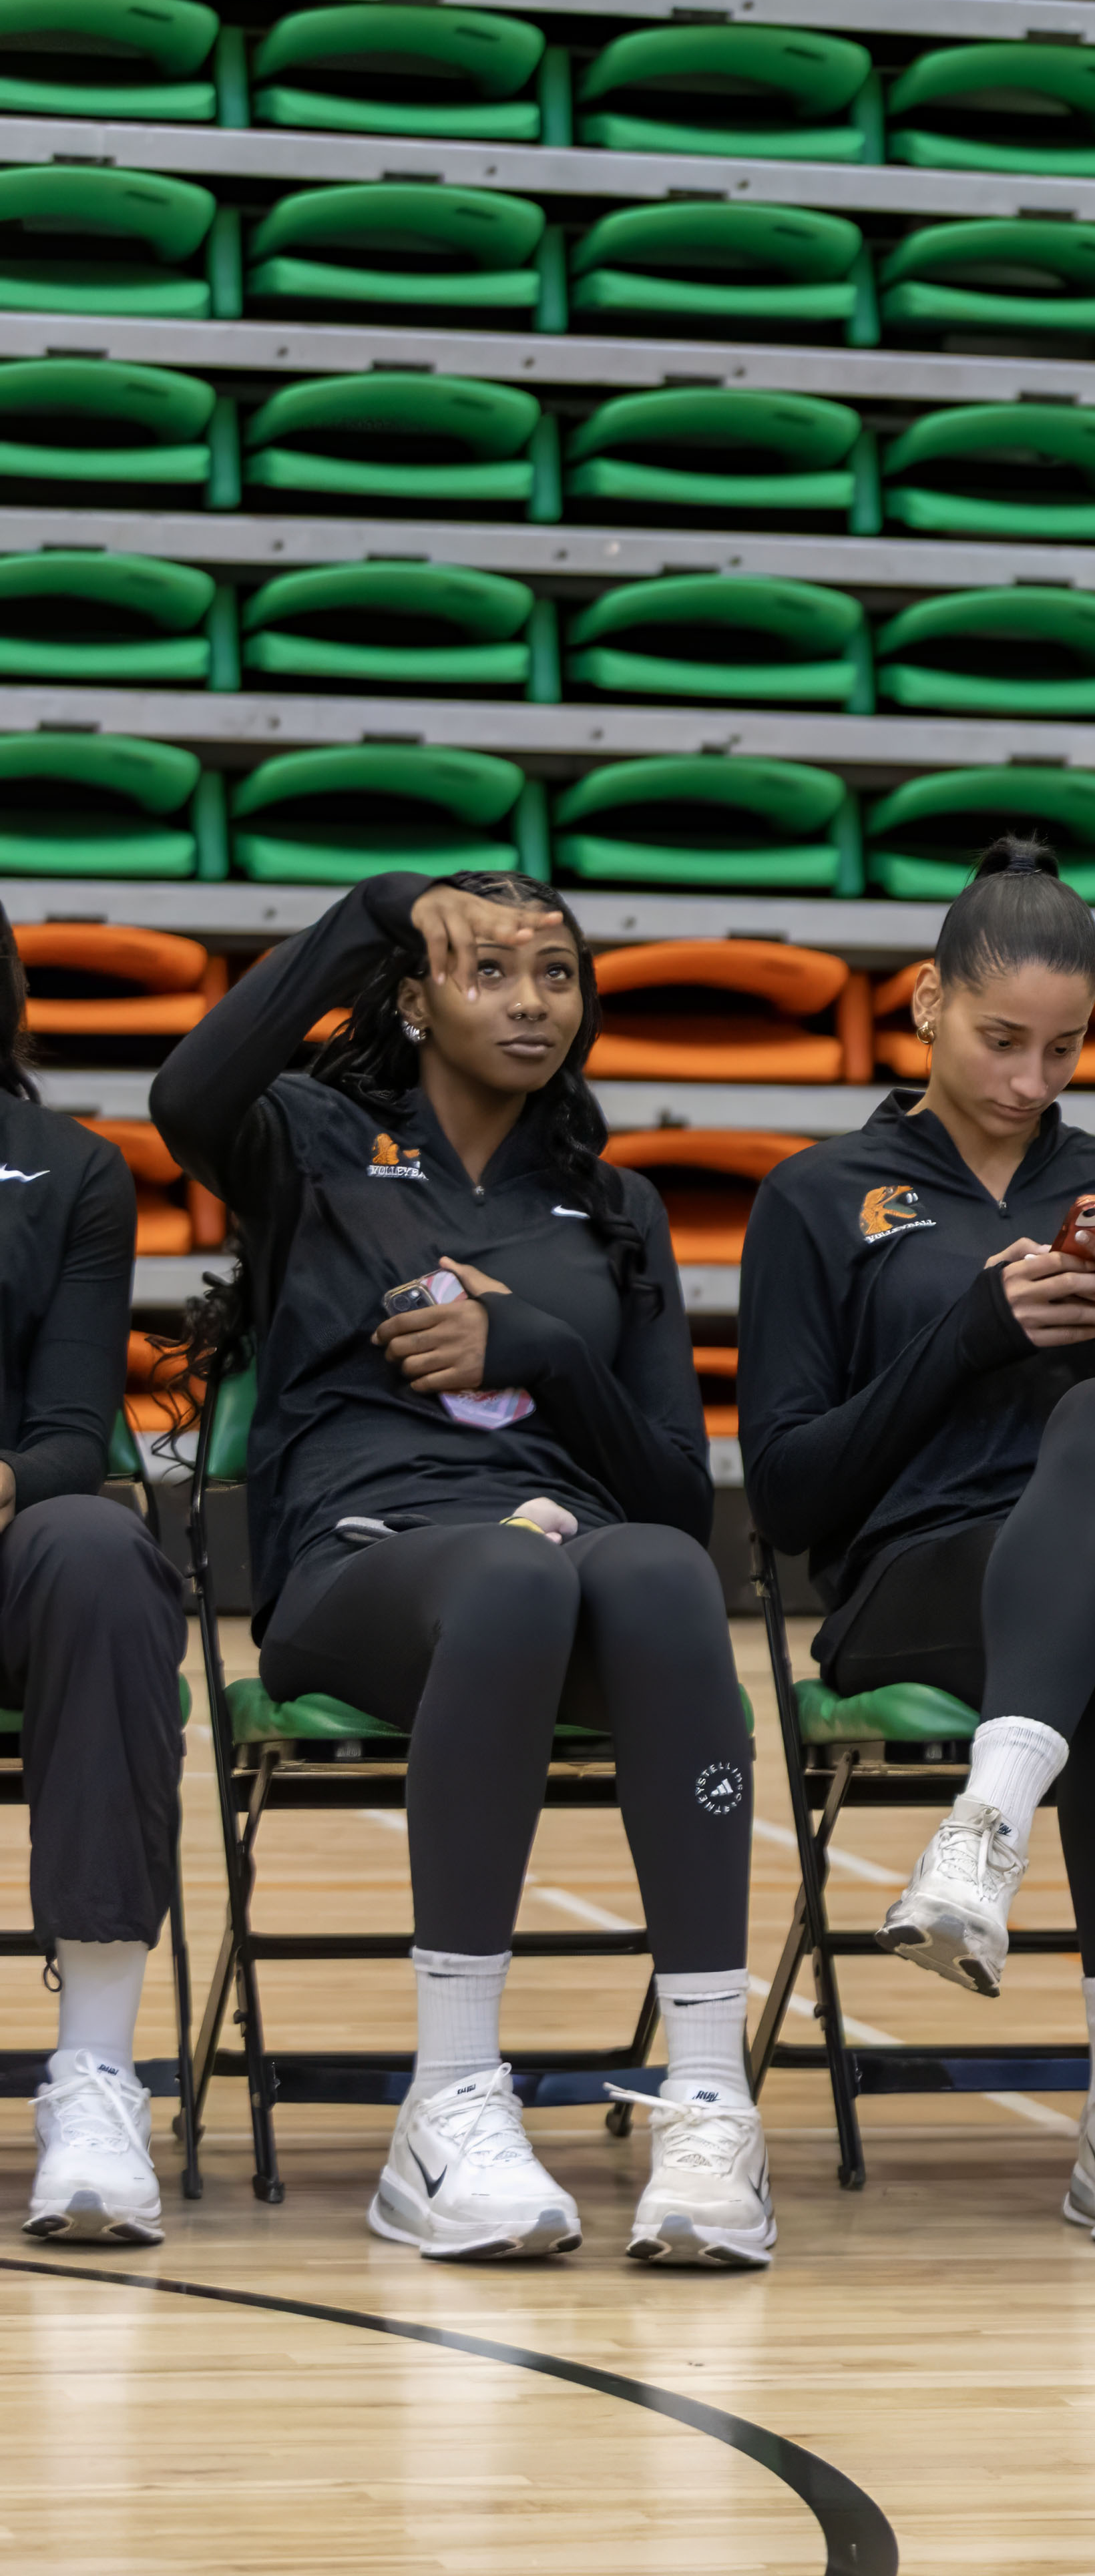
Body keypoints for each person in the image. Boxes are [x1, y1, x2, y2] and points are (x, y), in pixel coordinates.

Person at [154, 870, 769, 2267]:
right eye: (489, 970)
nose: (533, 1000)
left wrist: (546, 1353)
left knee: (664, 1573)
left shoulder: (614, 1207)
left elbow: (675, 1489)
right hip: (360, 1566)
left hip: (565, 1555)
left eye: (557, 972)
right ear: (417, 994)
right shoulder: (310, 1139)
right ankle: (449, 2099)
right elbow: (188, 1096)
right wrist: (375, 909)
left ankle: (711, 2094)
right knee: (514, 1577)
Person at [740, 839, 1095, 2246]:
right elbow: (786, 1495)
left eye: (1065, 1047)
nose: (1033, 1079)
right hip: (924, 1577)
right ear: (924, 1003)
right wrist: (968, 1332)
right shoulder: (815, 1194)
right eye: (1000, 1037)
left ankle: (985, 1827)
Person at [3, 931, 189, 2245]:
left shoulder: (68, 1168)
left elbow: (71, 1431)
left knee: (102, 1549)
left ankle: (94, 2071)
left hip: (6, 1533)